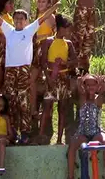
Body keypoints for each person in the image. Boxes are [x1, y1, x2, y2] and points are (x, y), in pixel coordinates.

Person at [0, 0, 59, 145]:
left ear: (27, 21)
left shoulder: (29, 31)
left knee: (24, 102)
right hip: (10, 71)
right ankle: (12, 132)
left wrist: (55, 6)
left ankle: (25, 132)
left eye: (22, 18)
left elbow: (44, 17)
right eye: (17, 18)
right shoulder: (9, 30)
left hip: (23, 70)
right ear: (13, 20)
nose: (19, 21)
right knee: (10, 100)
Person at [36, 13, 75, 145]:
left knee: (62, 109)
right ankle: (41, 136)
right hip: (51, 78)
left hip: (63, 79)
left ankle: (59, 139)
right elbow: (43, 62)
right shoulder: (48, 41)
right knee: (47, 108)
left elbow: (75, 61)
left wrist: (66, 64)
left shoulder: (68, 43)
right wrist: (48, 78)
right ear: (60, 28)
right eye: (67, 28)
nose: (68, 31)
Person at [67, 75, 105, 179]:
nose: (90, 87)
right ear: (84, 86)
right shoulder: (82, 99)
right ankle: (70, 176)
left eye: (93, 84)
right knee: (72, 145)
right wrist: (80, 82)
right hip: (82, 132)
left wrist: (102, 86)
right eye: (88, 85)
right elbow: (79, 88)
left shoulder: (98, 99)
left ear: (97, 86)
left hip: (96, 131)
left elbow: (102, 92)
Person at [67, 0, 99, 73]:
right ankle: (72, 67)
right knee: (78, 38)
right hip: (81, 10)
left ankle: (84, 67)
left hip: (91, 10)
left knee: (89, 37)